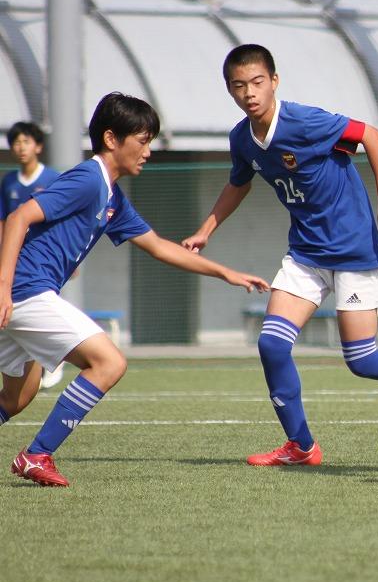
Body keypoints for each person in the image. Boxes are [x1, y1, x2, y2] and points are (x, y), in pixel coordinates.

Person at [182, 44, 378, 467]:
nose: (249, 93)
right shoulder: (243, 139)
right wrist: (205, 230)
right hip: (304, 254)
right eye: (239, 86)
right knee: (272, 345)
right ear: (230, 91)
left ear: (274, 82)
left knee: (362, 360)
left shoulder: (304, 121)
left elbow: (370, 136)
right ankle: (301, 446)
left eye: (257, 82)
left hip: (352, 249)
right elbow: (239, 183)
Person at [0, 92, 270, 487]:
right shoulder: (89, 179)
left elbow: (159, 246)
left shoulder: (113, 198)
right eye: (142, 141)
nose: (147, 152)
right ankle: (36, 455)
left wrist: (226, 273)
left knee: (15, 399)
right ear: (112, 139)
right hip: (25, 291)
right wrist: (4, 289)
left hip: (28, 294)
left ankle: (35, 453)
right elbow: (20, 215)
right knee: (109, 363)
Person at [3, 121, 66, 390]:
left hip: (44, 257)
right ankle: (33, 359)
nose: (21, 147)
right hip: (14, 258)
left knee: (45, 303)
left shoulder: (52, 179)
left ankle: (56, 356)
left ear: (38, 146)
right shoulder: (8, 182)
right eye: (16, 142)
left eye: (26, 141)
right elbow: (5, 222)